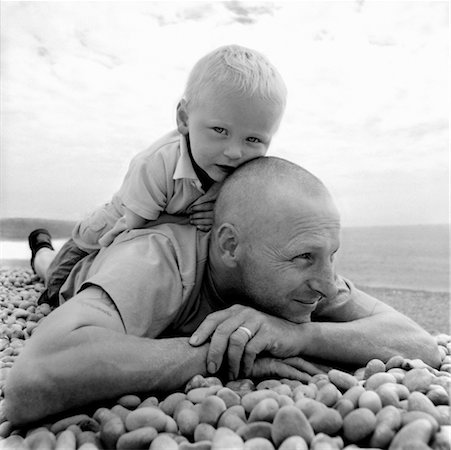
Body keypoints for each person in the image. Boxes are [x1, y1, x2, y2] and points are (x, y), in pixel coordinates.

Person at [5, 157, 440, 426]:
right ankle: (41, 249)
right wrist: (231, 355)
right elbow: (32, 381)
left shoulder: (307, 265)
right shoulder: (160, 260)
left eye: (332, 256)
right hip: (84, 272)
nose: (327, 283)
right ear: (229, 245)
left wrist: (300, 336)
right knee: (48, 273)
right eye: (304, 258)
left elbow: (421, 345)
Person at [30, 44, 287, 307]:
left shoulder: (246, 171)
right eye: (220, 130)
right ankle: (41, 249)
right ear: (184, 119)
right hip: (105, 231)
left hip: (144, 229)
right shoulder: (156, 163)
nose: (235, 152)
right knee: (55, 285)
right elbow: (132, 233)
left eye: (253, 139)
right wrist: (189, 219)